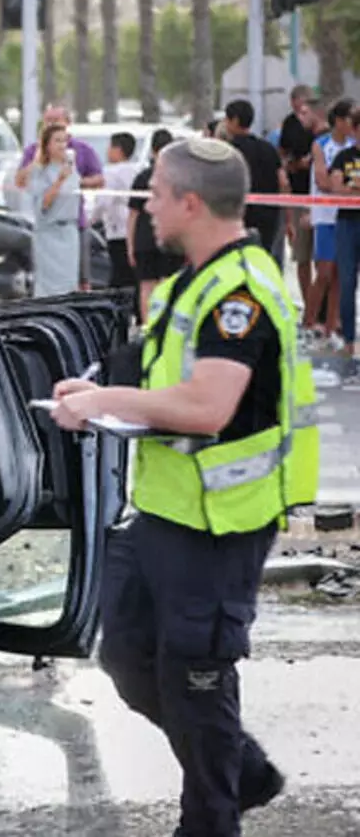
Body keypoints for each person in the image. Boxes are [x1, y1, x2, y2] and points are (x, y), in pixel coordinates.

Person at [51, 136, 318, 837]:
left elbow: (206, 406)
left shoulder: (239, 293)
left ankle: (212, 817)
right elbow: (165, 376)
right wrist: (100, 390)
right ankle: (242, 771)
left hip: (220, 522)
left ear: (191, 203)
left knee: (196, 679)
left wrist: (107, 401)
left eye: (158, 194)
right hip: (167, 511)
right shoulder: (191, 281)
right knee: (128, 656)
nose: (148, 205)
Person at [14, 104, 106, 288]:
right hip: (47, 227)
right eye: (47, 121)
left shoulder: (81, 151)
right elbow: (22, 182)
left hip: (74, 223)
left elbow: (99, 179)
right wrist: (38, 160)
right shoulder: (34, 153)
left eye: (56, 120)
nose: (51, 124)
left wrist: (75, 183)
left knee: (80, 279)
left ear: (67, 123)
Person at [306, 97, 352, 348]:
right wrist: (346, 188)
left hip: (346, 216)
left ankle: (331, 328)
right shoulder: (320, 144)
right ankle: (309, 323)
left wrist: (343, 188)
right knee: (323, 272)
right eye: (349, 120)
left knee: (339, 275)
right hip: (325, 216)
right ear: (338, 121)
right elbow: (323, 182)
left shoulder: (354, 146)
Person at [125, 128, 183, 321]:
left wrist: (130, 245)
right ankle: (165, 323)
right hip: (170, 238)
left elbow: (133, 214)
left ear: (152, 150)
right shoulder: (177, 178)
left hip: (144, 238)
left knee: (146, 286)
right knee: (168, 283)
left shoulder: (143, 177)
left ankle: (147, 327)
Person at [222, 100, 288, 267]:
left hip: (236, 216)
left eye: (227, 119)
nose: (225, 123)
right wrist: (286, 217)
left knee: (235, 262)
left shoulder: (228, 151)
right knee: (261, 261)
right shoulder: (268, 149)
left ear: (235, 120)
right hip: (268, 217)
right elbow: (283, 183)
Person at [24, 122, 82, 297]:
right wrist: (59, 181)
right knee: (49, 287)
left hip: (69, 233)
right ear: (47, 145)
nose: (62, 145)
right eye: (57, 141)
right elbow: (43, 204)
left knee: (69, 283)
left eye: (65, 141)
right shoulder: (39, 171)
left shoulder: (72, 169)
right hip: (49, 233)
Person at [326, 102, 360, 382]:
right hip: (347, 223)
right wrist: (349, 190)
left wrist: (352, 188)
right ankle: (349, 338)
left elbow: (345, 187)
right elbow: (335, 187)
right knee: (346, 281)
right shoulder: (343, 157)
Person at [280, 88, 319, 309]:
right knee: (302, 255)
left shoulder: (324, 137)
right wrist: (295, 165)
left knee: (322, 259)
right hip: (299, 192)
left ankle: (319, 307)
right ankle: (308, 303)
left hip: (321, 199)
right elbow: (283, 156)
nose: (302, 113)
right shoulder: (289, 125)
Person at [92, 132, 141, 287]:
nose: (107, 151)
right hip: (136, 230)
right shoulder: (136, 170)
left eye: (110, 147)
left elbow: (104, 201)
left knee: (119, 275)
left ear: (117, 149)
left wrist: (90, 219)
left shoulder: (111, 172)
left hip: (117, 230)